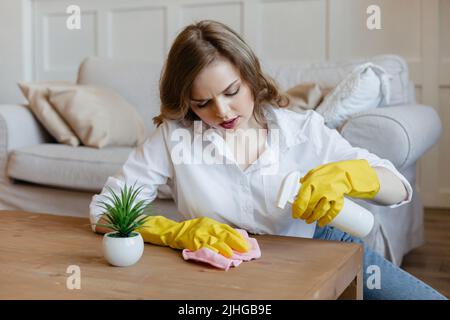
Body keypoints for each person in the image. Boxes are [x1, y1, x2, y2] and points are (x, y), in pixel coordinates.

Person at [90, 20, 446, 300]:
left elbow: (398, 190)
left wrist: (353, 175)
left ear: (250, 76)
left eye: (232, 92)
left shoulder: (301, 129)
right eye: (202, 103)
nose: (223, 111)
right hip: (224, 268)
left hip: (319, 247)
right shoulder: (175, 137)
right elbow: (104, 211)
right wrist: (174, 231)